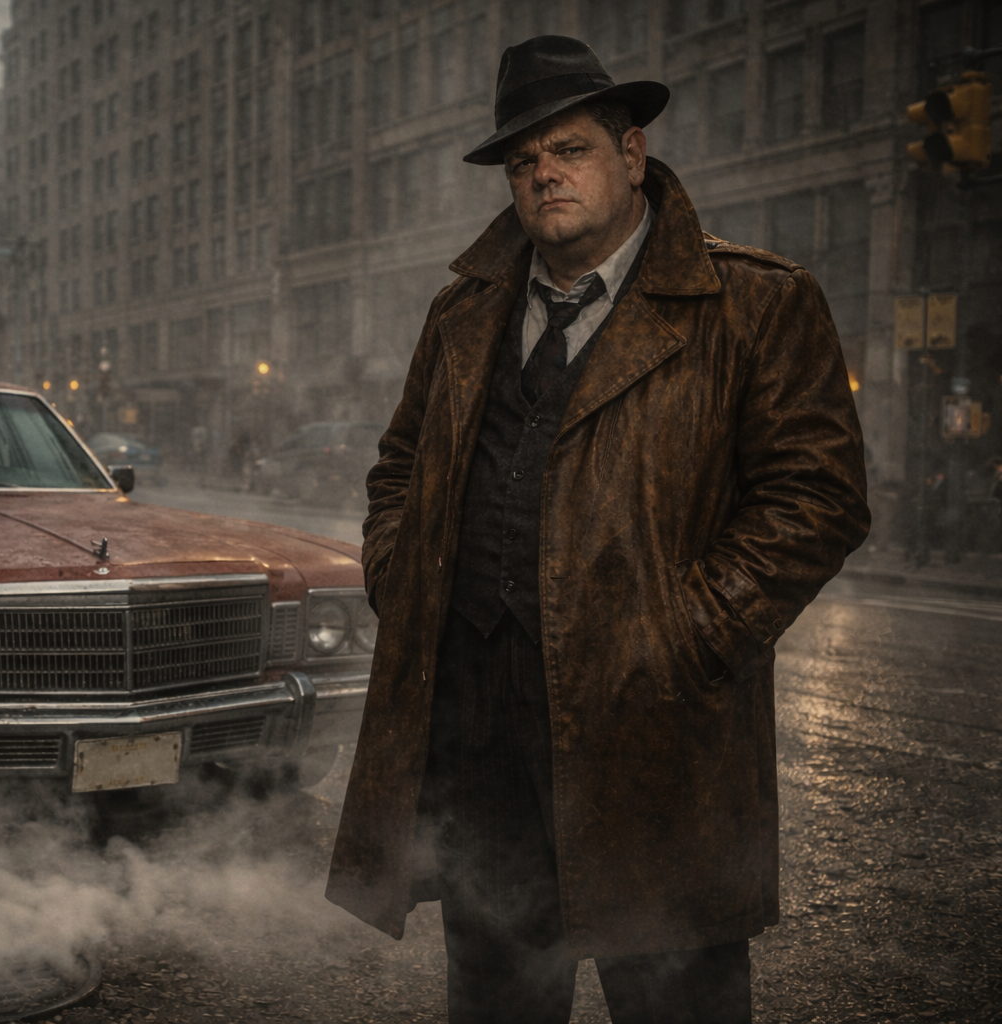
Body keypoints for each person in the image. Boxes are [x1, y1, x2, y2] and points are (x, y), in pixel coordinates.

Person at [326, 35, 869, 1024]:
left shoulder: (754, 303)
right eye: (524, 161)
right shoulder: (462, 314)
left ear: (631, 153)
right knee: (496, 1002)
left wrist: (691, 629)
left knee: (679, 1004)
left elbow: (818, 495)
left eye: (567, 149)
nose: (542, 174)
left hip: (656, 748)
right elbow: (398, 465)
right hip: (481, 741)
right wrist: (401, 576)